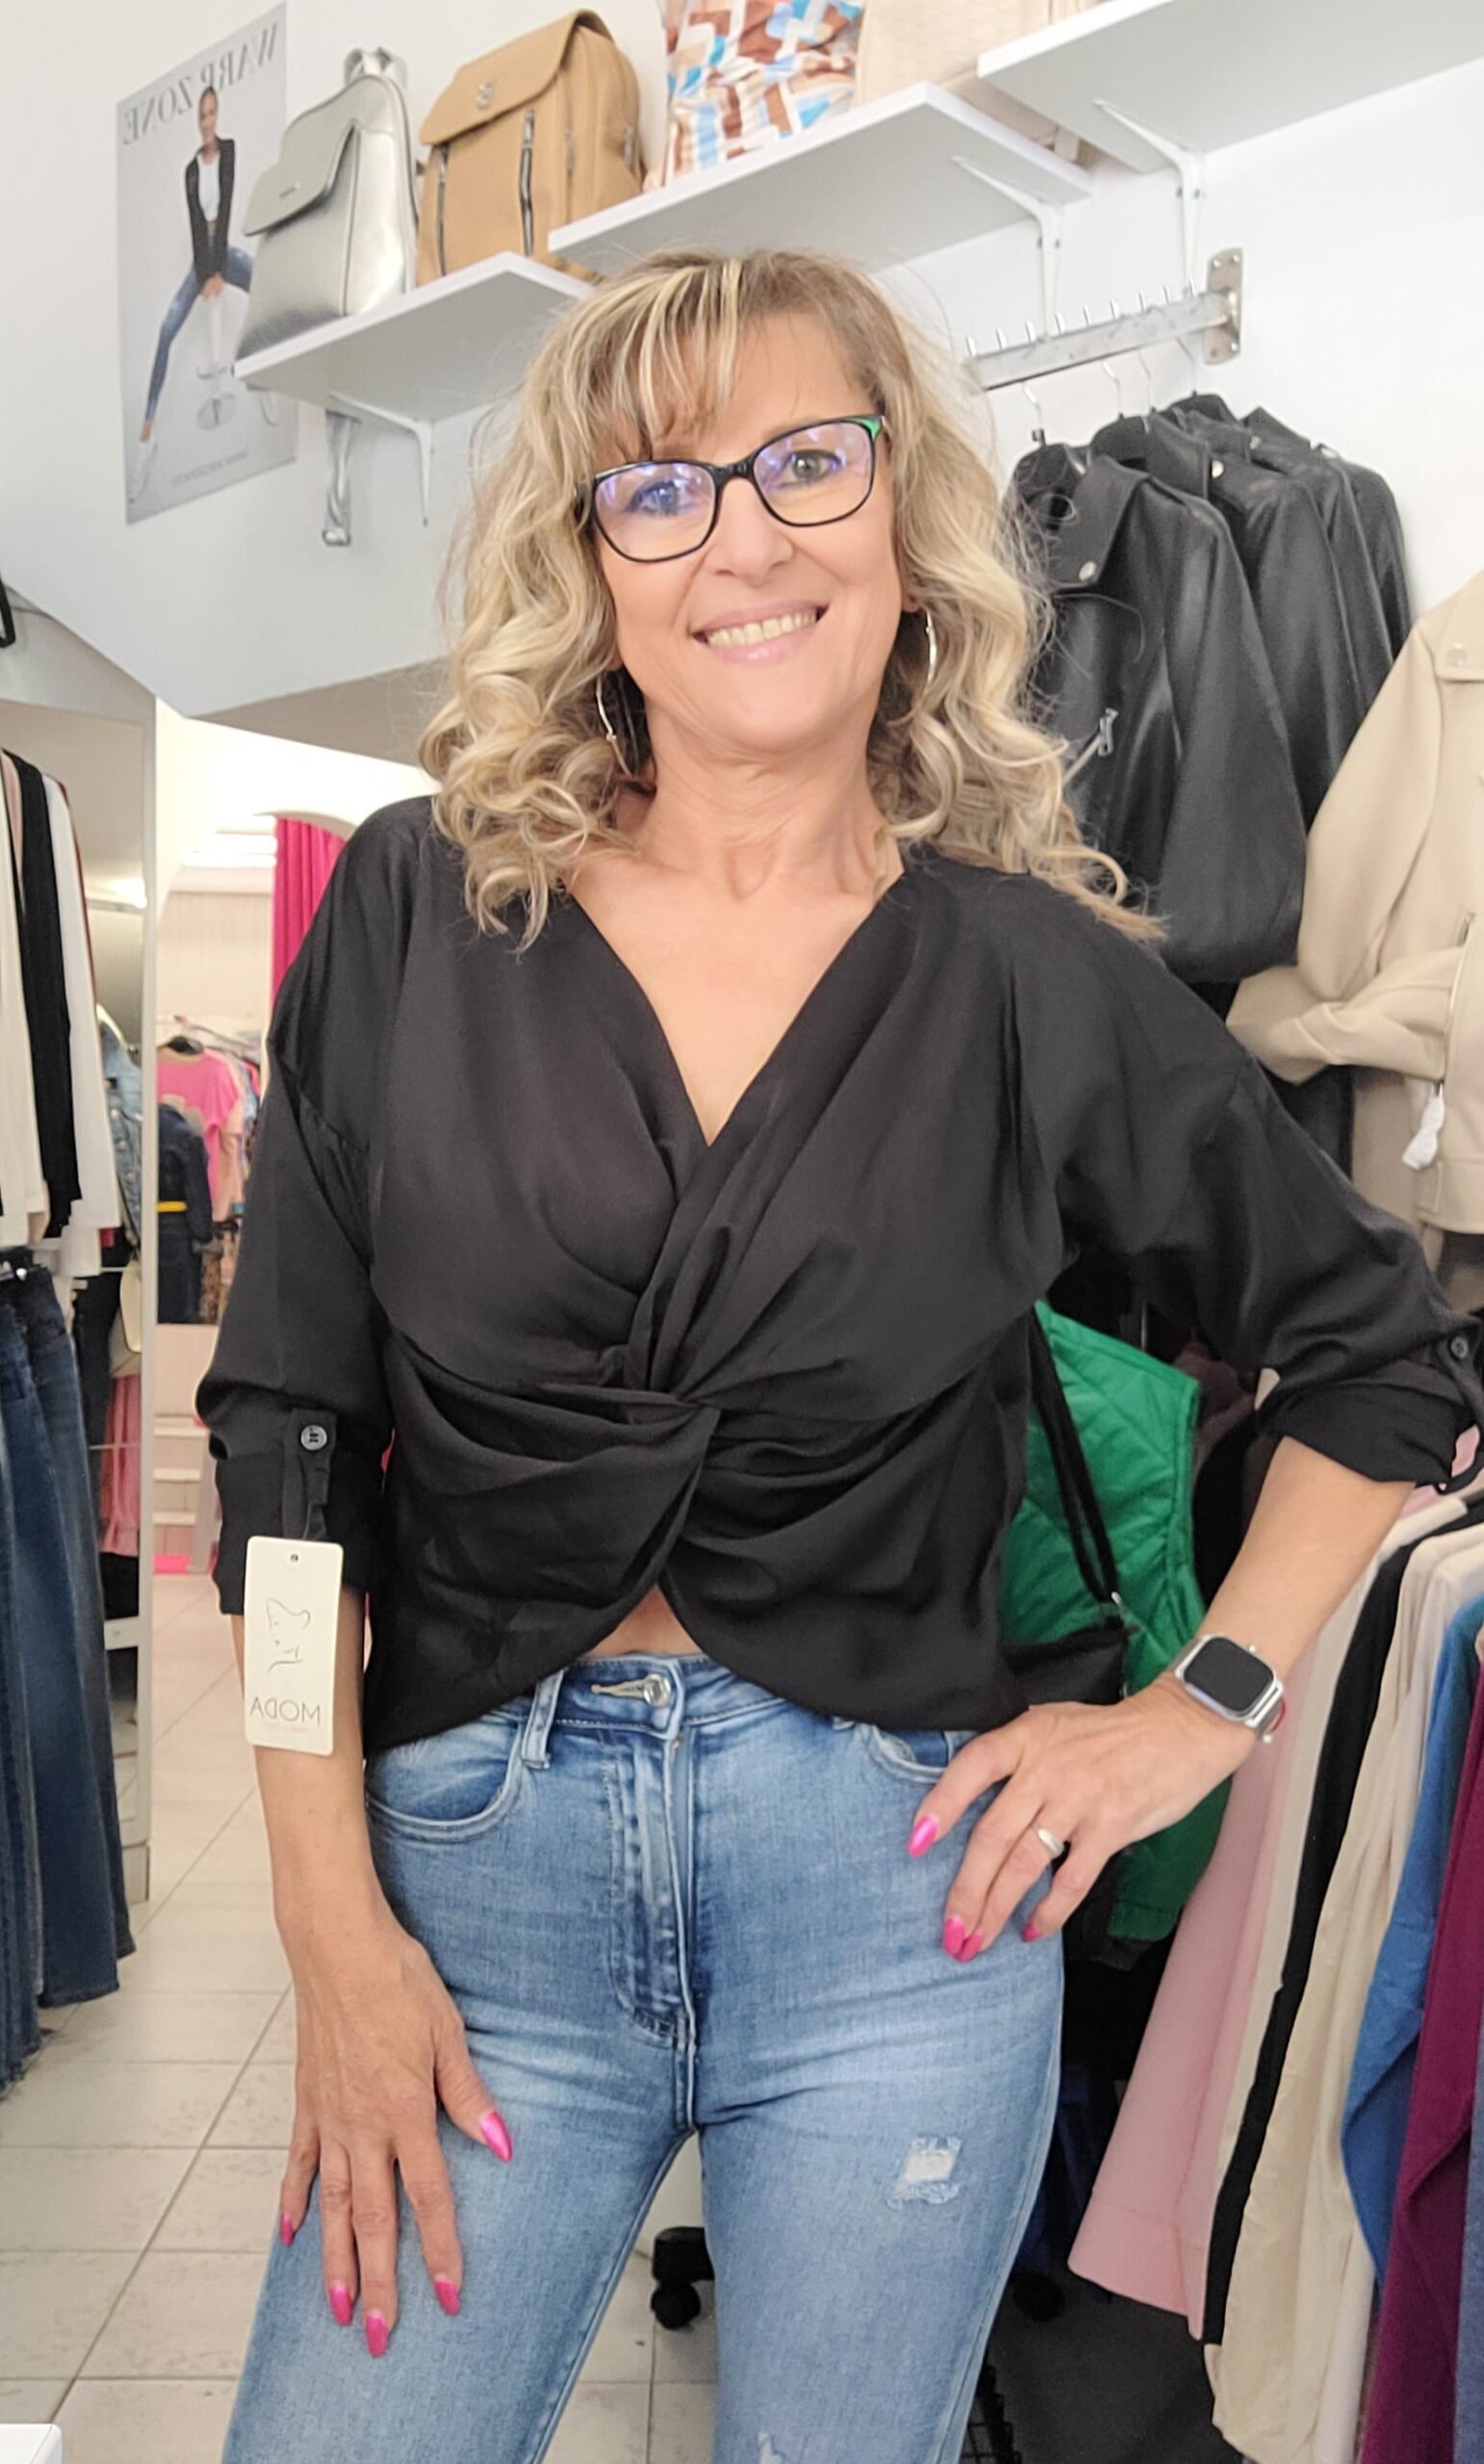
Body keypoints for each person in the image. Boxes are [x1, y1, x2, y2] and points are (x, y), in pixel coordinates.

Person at [201, 247, 1484, 2462]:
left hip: (895, 1904)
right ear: (590, 564)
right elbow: (292, 1441)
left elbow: (1381, 1354)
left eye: (807, 459)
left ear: (901, 516)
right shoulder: (419, 909)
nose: (745, 539)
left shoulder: (1026, 976)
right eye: (661, 488)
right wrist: (327, 1917)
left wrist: (1198, 1712)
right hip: (476, 1880)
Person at [129, 84, 254, 502]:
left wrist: (219, 269)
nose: (207, 122)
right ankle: (146, 437)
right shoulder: (190, 170)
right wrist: (205, 274)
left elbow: (226, 209)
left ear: (219, 115)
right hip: (203, 260)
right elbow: (197, 225)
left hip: (224, 254)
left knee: (267, 289)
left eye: (212, 113)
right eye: (202, 115)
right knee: (166, 331)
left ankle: (267, 385)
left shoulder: (230, 151)